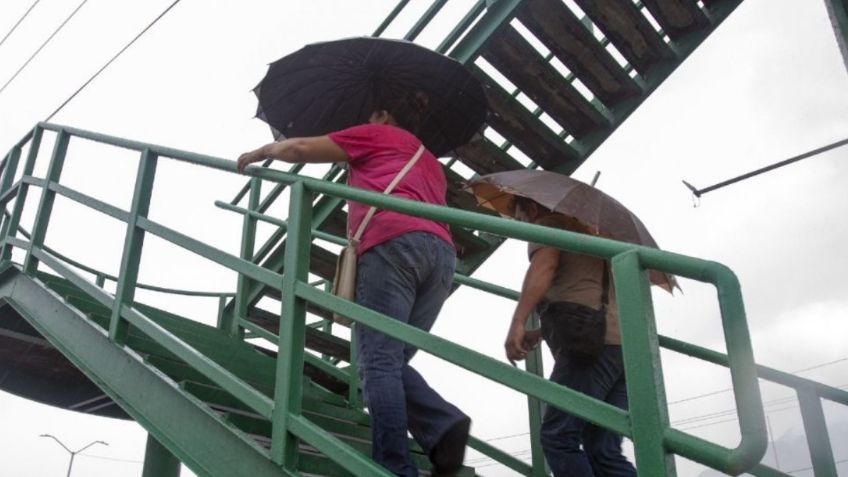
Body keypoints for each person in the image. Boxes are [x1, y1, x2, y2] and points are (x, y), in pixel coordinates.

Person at [237, 90, 470, 477]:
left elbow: (298, 149)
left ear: (383, 113)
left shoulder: (376, 133)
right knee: (389, 360)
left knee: (377, 362)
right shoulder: (430, 161)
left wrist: (263, 151)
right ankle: (442, 426)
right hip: (442, 257)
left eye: (369, 112)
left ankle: (397, 465)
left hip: (392, 243)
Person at [504, 196, 637, 477]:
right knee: (603, 450)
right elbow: (591, 296)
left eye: (519, 215)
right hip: (626, 349)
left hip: (590, 349)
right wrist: (541, 331)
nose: (521, 223)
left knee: (558, 437)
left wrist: (517, 321)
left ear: (533, 207)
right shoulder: (594, 237)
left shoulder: (550, 225)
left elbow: (544, 267)